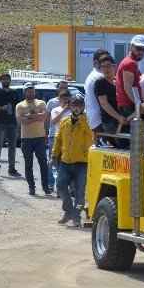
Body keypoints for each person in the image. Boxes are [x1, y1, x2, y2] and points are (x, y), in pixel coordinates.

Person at [51, 94, 92, 226]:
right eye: (75, 105)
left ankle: (76, 217)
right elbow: (58, 140)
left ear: (83, 107)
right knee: (60, 185)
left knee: (80, 192)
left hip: (82, 162)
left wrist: (81, 119)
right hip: (65, 162)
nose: (77, 108)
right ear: (70, 106)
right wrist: (53, 156)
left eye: (80, 105)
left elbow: (91, 133)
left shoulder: (87, 121)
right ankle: (68, 210)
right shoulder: (65, 121)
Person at [16, 82, 51, 196]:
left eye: (32, 90)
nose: (31, 92)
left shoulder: (41, 103)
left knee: (43, 163)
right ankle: (32, 187)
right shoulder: (20, 105)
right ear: (24, 92)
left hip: (39, 138)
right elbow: (20, 121)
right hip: (26, 139)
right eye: (28, 91)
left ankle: (45, 186)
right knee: (28, 164)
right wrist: (37, 118)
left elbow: (44, 116)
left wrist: (29, 116)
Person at [0, 73, 20, 177]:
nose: (5, 81)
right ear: (1, 81)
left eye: (7, 79)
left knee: (12, 147)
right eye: (3, 79)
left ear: (10, 81)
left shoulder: (14, 92)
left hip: (13, 123)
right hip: (0, 123)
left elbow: (18, 106)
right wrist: (2, 108)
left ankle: (12, 169)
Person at [94, 54, 128, 147]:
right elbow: (104, 104)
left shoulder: (117, 81)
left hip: (122, 118)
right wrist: (119, 117)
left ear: (114, 66)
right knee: (125, 146)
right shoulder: (99, 83)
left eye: (108, 66)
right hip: (110, 122)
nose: (105, 69)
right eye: (103, 67)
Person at [84, 49, 111, 142]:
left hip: (94, 120)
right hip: (100, 120)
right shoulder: (98, 77)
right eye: (103, 61)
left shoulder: (92, 75)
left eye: (108, 62)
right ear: (96, 62)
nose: (106, 65)